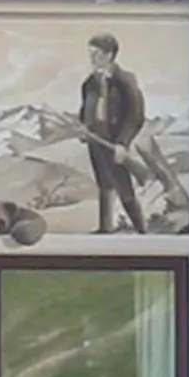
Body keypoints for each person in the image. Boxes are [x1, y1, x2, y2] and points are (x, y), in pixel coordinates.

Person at [80, 33, 146, 234]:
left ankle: (141, 230)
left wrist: (123, 143)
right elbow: (86, 109)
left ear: (110, 55)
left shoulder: (125, 81)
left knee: (123, 186)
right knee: (104, 184)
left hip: (114, 140)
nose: (92, 58)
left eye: (97, 54)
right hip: (96, 140)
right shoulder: (89, 83)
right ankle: (105, 228)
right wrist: (85, 127)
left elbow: (135, 115)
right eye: (90, 54)